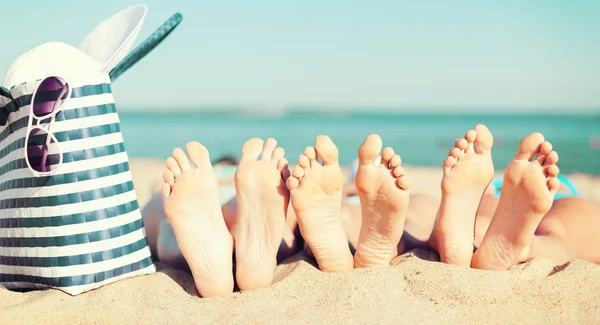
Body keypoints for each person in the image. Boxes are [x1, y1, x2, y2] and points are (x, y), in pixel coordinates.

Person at [158, 125, 600, 298]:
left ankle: (224, 241)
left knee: (168, 212)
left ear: (226, 167)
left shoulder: (217, 175)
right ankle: (512, 243)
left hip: (319, 213)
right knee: (568, 217)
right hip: (396, 210)